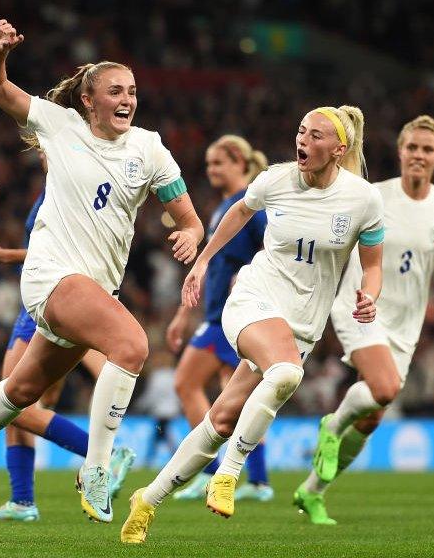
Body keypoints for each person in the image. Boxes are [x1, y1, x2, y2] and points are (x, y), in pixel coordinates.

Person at [0, 19, 203, 524]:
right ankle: (96, 468)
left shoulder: (149, 148)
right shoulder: (58, 124)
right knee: (133, 345)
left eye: (133, 91)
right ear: (89, 101)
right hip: (51, 276)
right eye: (115, 90)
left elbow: (187, 215)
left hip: (92, 288)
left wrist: (190, 232)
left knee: (20, 393)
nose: (127, 99)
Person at [121, 105, 385, 544]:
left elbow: (373, 266)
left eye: (316, 135)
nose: (303, 140)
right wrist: (202, 262)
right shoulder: (275, 180)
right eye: (301, 131)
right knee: (285, 372)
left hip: (303, 323)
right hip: (254, 298)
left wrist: (369, 296)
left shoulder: (363, 199)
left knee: (222, 419)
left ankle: (147, 499)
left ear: (339, 149)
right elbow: (239, 213)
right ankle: (228, 474)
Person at [293, 115, 434, 525]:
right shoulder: (373, 196)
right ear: (400, 151)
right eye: (412, 147)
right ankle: (331, 423)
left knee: (373, 415)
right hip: (360, 305)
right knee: (385, 387)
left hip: (405, 324)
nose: (419, 155)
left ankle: (312, 491)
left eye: (427, 149)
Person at [0, 184, 136, 523]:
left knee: (12, 404)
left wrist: (4, 256)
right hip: (46, 300)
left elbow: (59, 255)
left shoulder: (71, 185)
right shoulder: (57, 184)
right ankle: (22, 501)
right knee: (24, 407)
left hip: (49, 302)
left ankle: (103, 457)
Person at [165, 135, 271, 502]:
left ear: (240, 161)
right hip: (217, 314)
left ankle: (207, 470)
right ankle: (258, 481)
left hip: (233, 314)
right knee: (240, 398)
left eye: (218, 163)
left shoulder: (251, 206)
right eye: (209, 163)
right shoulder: (224, 207)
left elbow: (271, 248)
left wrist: (250, 277)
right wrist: (183, 313)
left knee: (186, 383)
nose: (211, 169)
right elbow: (208, 267)